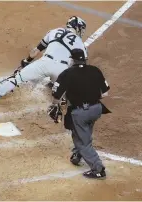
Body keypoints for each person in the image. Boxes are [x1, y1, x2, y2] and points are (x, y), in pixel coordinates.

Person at [0, 16, 87, 105]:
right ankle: (61, 94)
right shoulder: (80, 44)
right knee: (71, 72)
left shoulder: (54, 31)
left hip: (44, 63)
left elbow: (36, 50)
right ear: (77, 28)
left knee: (17, 78)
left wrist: (26, 61)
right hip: (61, 71)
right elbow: (81, 67)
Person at [47, 48, 111, 179]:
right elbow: (105, 94)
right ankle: (77, 155)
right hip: (97, 109)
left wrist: (54, 105)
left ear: (72, 60)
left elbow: (56, 95)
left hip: (80, 113)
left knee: (83, 142)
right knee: (83, 132)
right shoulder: (95, 70)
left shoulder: (67, 73)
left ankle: (98, 169)